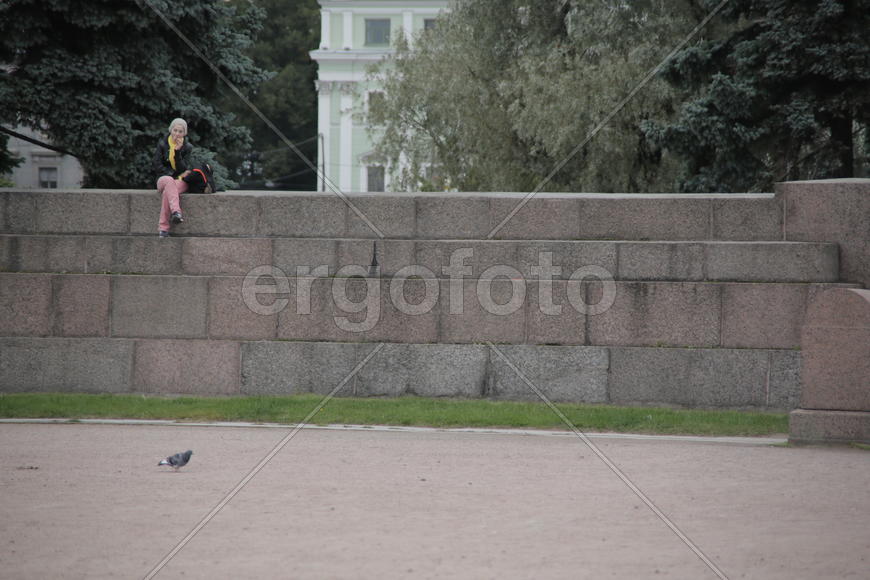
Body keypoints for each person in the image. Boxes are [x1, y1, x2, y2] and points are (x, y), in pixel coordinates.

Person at [153, 118, 193, 237]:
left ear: (184, 133)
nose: (177, 134)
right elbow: (157, 165)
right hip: (163, 179)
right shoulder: (162, 144)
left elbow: (184, 169)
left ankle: (163, 230)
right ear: (171, 130)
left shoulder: (187, 147)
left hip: (179, 181)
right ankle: (176, 212)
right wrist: (172, 174)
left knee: (168, 192)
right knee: (169, 182)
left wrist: (177, 152)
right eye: (175, 130)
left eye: (180, 131)